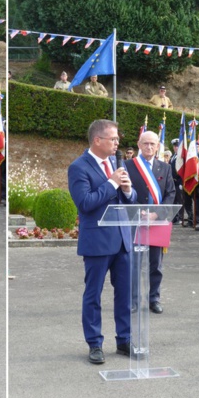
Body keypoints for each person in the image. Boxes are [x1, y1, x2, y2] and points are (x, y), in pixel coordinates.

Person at [67, 119, 137, 364]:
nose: (117, 143)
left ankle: (124, 340)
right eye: (113, 139)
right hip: (97, 242)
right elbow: (85, 203)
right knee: (93, 295)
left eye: (117, 139)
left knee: (125, 295)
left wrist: (127, 190)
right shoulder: (79, 167)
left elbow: (129, 198)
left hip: (122, 240)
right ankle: (95, 343)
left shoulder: (116, 164)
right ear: (98, 140)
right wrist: (112, 183)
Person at [124, 131, 175, 314]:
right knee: (134, 263)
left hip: (157, 223)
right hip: (135, 221)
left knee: (156, 264)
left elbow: (170, 194)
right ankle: (133, 300)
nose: (149, 147)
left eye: (153, 144)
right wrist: (140, 212)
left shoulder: (165, 167)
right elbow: (124, 193)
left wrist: (156, 214)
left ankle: (154, 298)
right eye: (146, 144)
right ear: (139, 144)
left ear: (158, 146)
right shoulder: (128, 165)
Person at [169, 138, 188, 225]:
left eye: (177, 146)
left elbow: (183, 171)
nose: (176, 148)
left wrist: (181, 182)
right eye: (175, 146)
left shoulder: (181, 157)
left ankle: (180, 217)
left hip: (178, 182)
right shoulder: (173, 157)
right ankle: (175, 217)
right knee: (174, 200)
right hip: (172, 182)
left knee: (179, 200)